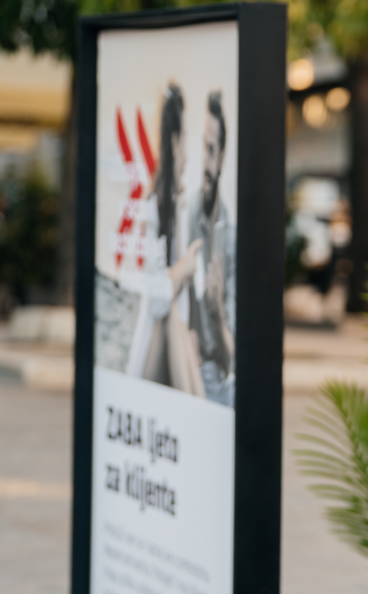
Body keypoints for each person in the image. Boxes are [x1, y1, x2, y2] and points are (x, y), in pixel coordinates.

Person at [134, 83, 204, 396]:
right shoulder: (155, 207)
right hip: (153, 347)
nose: (188, 156)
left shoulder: (179, 205)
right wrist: (185, 268)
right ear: (175, 142)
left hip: (170, 349)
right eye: (186, 140)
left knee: (179, 322)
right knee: (171, 313)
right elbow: (158, 299)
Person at [188, 90, 236, 406]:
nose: (204, 161)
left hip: (215, 383)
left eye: (211, 150)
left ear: (221, 158)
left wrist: (217, 317)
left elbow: (232, 361)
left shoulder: (230, 239)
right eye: (200, 148)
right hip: (189, 371)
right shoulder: (189, 216)